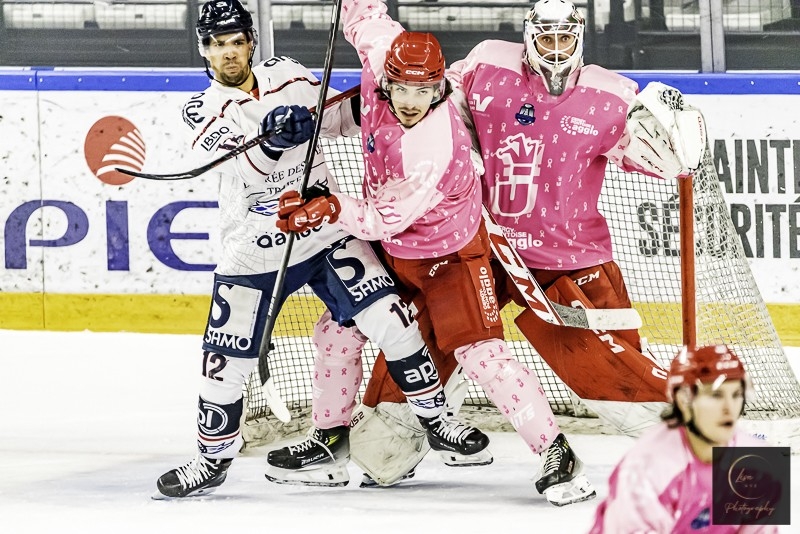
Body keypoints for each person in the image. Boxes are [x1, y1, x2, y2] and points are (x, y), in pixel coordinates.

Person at [319, 0, 709, 498]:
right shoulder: (488, 63)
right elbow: (439, 100)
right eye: (545, 37)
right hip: (479, 246)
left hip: (567, 260)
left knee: (616, 373)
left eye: (564, 38)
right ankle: (402, 438)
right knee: (386, 433)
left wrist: (674, 145)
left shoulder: (610, 96)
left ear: (579, 38)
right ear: (529, 35)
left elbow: (652, 155)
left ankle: (715, 447)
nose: (555, 48)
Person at [154, 0, 488, 499]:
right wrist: (273, 139)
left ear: (251, 42)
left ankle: (437, 421)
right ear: (204, 49)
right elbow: (248, 167)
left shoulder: (287, 73)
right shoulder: (201, 109)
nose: (229, 53)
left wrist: (385, 91)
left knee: (392, 318)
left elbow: (343, 119)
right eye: (218, 45)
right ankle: (211, 460)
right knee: (223, 363)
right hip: (255, 247)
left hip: (324, 227)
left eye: (237, 41)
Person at [274, 0, 596, 507]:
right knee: (337, 331)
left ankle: (556, 452)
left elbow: (380, 218)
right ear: (387, 79)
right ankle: (329, 441)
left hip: (450, 258)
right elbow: (365, 17)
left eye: (423, 91)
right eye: (401, 89)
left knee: (483, 355)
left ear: (440, 88)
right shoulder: (383, 57)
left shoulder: (431, 145)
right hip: (392, 253)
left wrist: (326, 208)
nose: (410, 102)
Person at [589, 345, 777, 533]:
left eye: (736, 395)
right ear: (683, 400)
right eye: (716, 395)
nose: (729, 408)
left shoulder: (756, 462)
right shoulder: (648, 467)